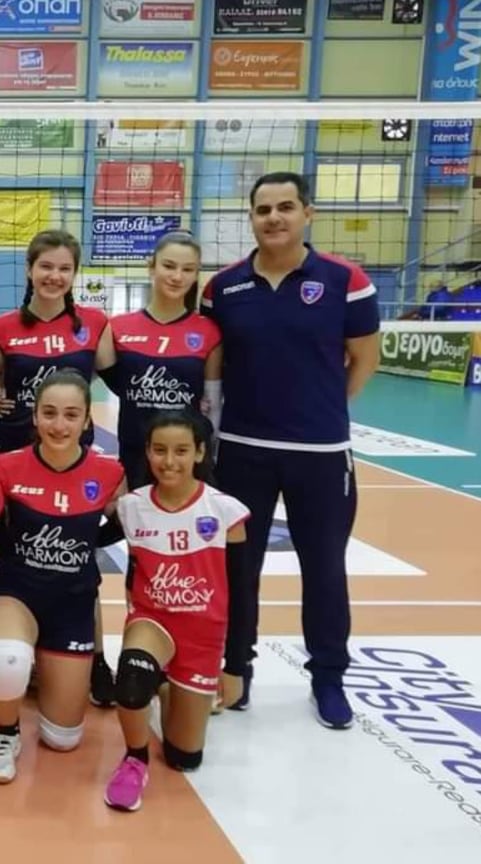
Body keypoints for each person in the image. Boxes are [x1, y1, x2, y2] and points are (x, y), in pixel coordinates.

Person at [200, 171, 380, 729]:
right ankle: (237, 671)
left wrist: (321, 411)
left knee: (324, 569)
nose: (273, 218)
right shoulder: (222, 288)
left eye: (285, 207)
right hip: (243, 451)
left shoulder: (345, 281)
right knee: (239, 569)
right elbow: (214, 363)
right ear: (251, 218)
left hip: (320, 455)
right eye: (263, 209)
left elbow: (364, 359)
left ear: (308, 213)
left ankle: (328, 677)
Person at [103, 409, 249, 812]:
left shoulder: (225, 512)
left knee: (184, 758)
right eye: (160, 450)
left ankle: (167, 686)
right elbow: (85, 536)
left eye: (181, 451)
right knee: (132, 680)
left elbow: (243, 593)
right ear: (147, 452)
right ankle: (134, 760)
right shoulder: (132, 507)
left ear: (200, 452)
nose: (169, 461)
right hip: (152, 622)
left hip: (203, 638)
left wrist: (236, 665)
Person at [0, 229, 119, 708]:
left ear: (74, 274)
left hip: (74, 464)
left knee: (77, 560)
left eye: (64, 268)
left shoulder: (94, 324)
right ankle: (17, 650)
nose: (54, 275)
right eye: (46, 266)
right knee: (14, 561)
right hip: (14, 460)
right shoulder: (5, 327)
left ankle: (96, 658)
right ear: (30, 270)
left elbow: (127, 382)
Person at [0, 369, 124, 783]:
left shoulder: (109, 473)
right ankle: (5, 731)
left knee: (62, 738)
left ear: (87, 420)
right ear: (35, 416)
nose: (59, 425)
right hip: (17, 595)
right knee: (8, 659)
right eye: (49, 413)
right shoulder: (7, 466)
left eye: (71, 415)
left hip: (72, 604)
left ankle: (38, 672)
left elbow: (128, 525)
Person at [109, 231, 222, 491]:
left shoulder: (208, 331)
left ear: (196, 275)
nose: (177, 276)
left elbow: (212, 404)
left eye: (188, 269)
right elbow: (81, 377)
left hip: (184, 463)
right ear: (152, 267)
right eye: (169, 266)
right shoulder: (117, 328)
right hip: (134, 458)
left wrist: (210, 454)